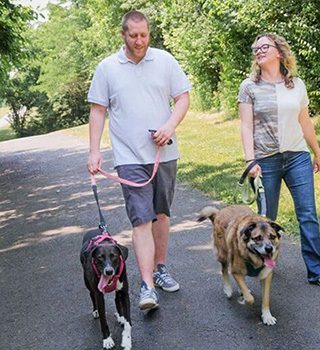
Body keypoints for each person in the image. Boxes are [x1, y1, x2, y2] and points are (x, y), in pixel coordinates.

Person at [87, 10, 191, 310]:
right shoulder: (107, 68)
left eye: (144, 35)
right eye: (133, 35)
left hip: (164, 153)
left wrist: (169, 126)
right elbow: (97, 111)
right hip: (128, 156)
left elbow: (182, 97)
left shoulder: (165, 61)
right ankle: (147, 286)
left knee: (161, 213)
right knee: (141, 218)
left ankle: (160, 268)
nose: (139, 40)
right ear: (123, 35)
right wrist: (94, 151)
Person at [238, 32, 320, 288]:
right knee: (264, 218)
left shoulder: (297, 84)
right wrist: (251, 161)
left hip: (297, 157)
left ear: (279, 52)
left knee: (308, 214)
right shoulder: (249, 86)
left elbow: (305, 121)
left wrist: (316, 151)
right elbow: (246, 126)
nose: (258, 51)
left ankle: (317, 272)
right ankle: (259, 265)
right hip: (265, 160)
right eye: (255, 48)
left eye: (264, 47)